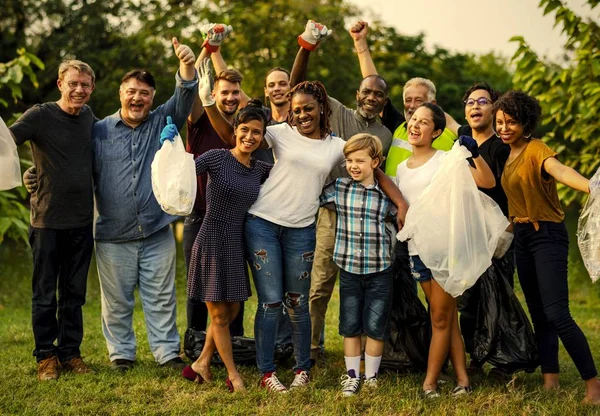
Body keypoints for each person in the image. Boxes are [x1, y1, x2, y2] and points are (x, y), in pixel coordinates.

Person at [201, 66, 407, 392]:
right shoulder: (280, 132)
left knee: (297, 301)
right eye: (296, 110)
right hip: (263, 224)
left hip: (302, 229)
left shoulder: (336, 145)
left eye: (308, 108)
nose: (301, 114)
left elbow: (369, 165)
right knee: (270, 303)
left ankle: (302, 369)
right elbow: (233, 136)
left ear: (322, 107)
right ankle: (268, 373)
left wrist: (400, 202)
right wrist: (208, 103)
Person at [290, 20, 394, 364]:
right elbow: (297, 87)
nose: (372, 97)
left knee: (366, 288)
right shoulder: (337, 111)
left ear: (384, 101)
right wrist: (307, 46)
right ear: (357, 95)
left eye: (379, 93)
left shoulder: (387, 132)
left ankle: (370, 350)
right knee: (319, 284)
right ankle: (312, 347)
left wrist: (401, 204)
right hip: (332, 212)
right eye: (367, 91)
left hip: (366, 217)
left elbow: (381, 176)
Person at [92, 38, 198, 371]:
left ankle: (167, 353)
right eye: (131, 91)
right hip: (112, 232)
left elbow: (184, 95)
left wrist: (186, 63)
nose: (137, 98)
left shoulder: (161, 121)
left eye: (145, 93)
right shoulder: (97, 131)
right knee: (116, 301)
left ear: (152, 98)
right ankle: (121, 353)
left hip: (156, 229)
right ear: (120, 93)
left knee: (161, 297)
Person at [495, 90, 600, 404]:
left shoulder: (536, 148)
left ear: (526, 122)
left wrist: (593, 186)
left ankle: (593, 385)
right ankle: (550, 380)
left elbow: (561, 171)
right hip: (523, 237)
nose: (503, 128)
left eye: (511, 122)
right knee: (539, 314)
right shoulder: (506, 153)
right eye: (500, 121)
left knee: (557, 313)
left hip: (547, 236)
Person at [171, 97, 272, 392]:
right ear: (235, 130)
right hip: (212, 238)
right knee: (218, 315)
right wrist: (169, 149)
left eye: (257, 132)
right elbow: (182, 173)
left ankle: (202, 363)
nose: (250, 137)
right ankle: (233, 374)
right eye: (245, 130)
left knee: (232, 312)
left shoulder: (260, 170)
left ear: (263, 136)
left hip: (237, 243)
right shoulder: (216, 157)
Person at [395, 102, 495, 398]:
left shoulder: (445, 160)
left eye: (424, 122)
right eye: (414, 119)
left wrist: (474, 153)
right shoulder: (401, 168)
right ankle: (463, 379)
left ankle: (430, 382)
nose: (416, 125)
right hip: (417, 252)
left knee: (439, 318)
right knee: (445, 317)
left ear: (437, 132)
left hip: (445, 251)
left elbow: (486, 182)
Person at [10, 60, 96, 381]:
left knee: (74, 293)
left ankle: (70, 353)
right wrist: (23, 172)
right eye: (73, 83)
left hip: (82, 221)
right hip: (46, 220)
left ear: (91, 89)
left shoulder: (88, 117)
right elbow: (6, 141)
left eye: (85, 85)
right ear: (60, 83)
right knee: (45, 294)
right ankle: (45, 356)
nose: (79, 90)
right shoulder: (40, 115)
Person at [182, 24, 246, 360]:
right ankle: (194, 345)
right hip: (200, 213)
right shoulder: (199, 117)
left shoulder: (243, 126)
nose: (231, 98)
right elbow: (193, 89)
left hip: (235, 219)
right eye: (225, 93)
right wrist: (207, 48)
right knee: (198, 285)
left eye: (236, 92)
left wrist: (218, 52)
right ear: (214, 94)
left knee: (234, 285)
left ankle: (232, 346)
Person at [446, 83, 516, 376]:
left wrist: (510, 230)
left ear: (495, 108)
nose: (475, 107)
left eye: (483, 102)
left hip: (496, 233)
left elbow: (508, 189)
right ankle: (475, 357)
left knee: (499, 298)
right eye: (470, 101)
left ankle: (503, 360)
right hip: (466, 231)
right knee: (468, 300)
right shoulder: (460, 142)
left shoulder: (501, 147)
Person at [320, 133, 394, 396]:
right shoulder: (339, 187)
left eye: (360, 161)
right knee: (350, 324)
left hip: (379, 269)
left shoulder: (386, 194)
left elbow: (401, 216)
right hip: (349, 268)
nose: (353, 166)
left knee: (375, 326)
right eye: (349, 160)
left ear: (375, 162)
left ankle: (371, 376)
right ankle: (352, 376)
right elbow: (312, 193)